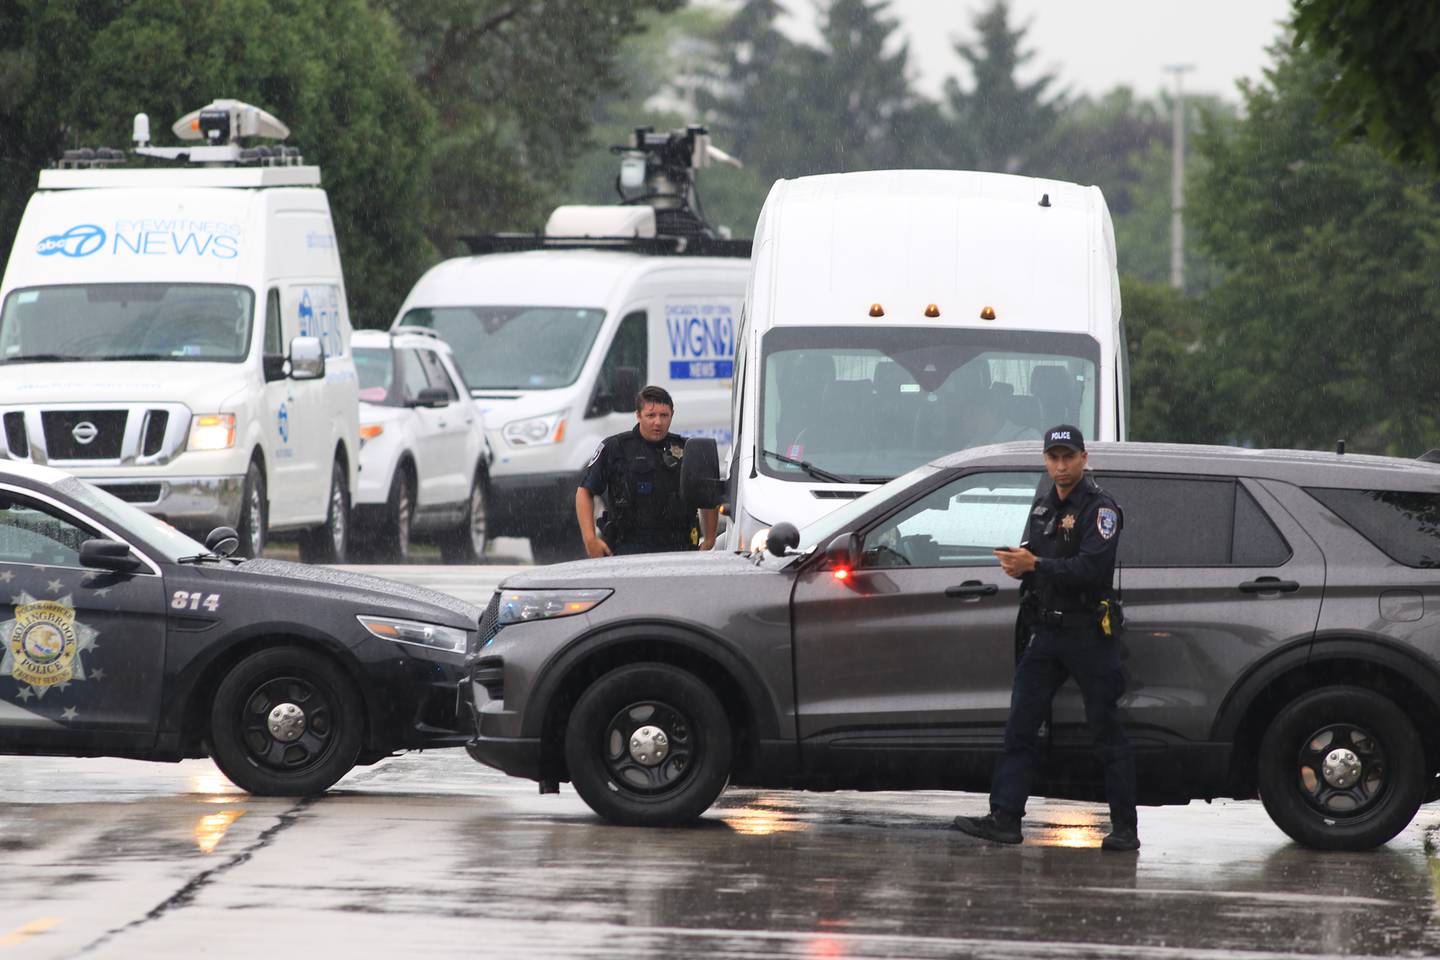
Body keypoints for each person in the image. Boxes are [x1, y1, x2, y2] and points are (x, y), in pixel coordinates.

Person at [951, 424, 1139, 852]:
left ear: (1084, 458)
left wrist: (1035, 565)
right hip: (1046, 631)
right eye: (1053, 457)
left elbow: (1091, 567)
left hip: (1088, 632)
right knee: (1020, 725)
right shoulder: (1042, 507)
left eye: (1068, 457)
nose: (1060, 465)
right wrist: (1018, 563)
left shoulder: (1099, 509)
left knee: (1106, 729)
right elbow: (1031, 554)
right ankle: (1005, 818)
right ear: (1045, 460)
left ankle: (1125, 829)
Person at [576, 385, 718, 557]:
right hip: (627, 549)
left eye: (664, 415)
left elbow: (708, 493)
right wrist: (590, 539)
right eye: (651, 415)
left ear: (672, 414)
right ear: (638, 415)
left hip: (679, 549)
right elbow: (585, 491)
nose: (658, 422)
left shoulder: (686, 449)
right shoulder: (616, 447)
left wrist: (710, 539)